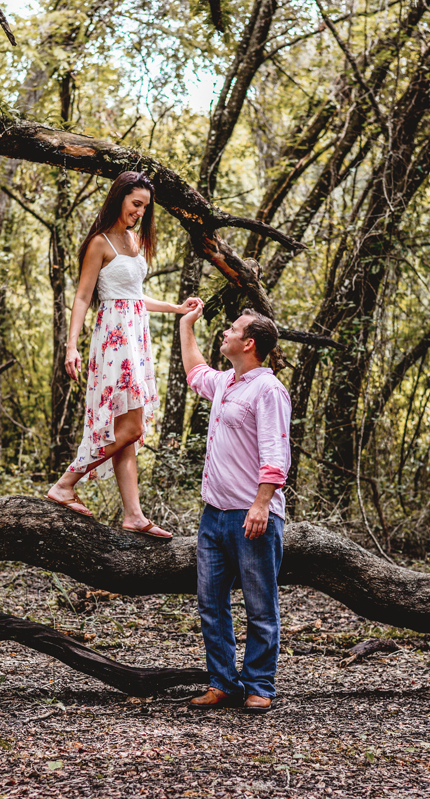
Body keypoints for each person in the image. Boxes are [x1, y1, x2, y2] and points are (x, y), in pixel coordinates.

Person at [45, 171, 198, 539]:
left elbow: (134, 296)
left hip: (135, 335)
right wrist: (71, 346)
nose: (140, 213)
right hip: (114, 340)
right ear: (119, 198)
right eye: (135, 204)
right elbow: (84, 296)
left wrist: (177, 308)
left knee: (127, 430)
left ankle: (133, 515)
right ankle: (65, 484)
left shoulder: (133, 240)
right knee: (131, 427)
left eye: (145, 207)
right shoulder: (100, 242)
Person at [178, 304, 292, 713]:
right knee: (211, 604)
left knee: (260, 606)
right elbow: (194, 371)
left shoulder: (269, 390)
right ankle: (223, 682)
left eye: (232, 329)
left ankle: (260, 685)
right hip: (213, 515)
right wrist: (184, 323)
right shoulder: (227, 382)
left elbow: (276, 454)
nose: (224, 332)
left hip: (252, 515)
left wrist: (262, 505)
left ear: (249, 343)